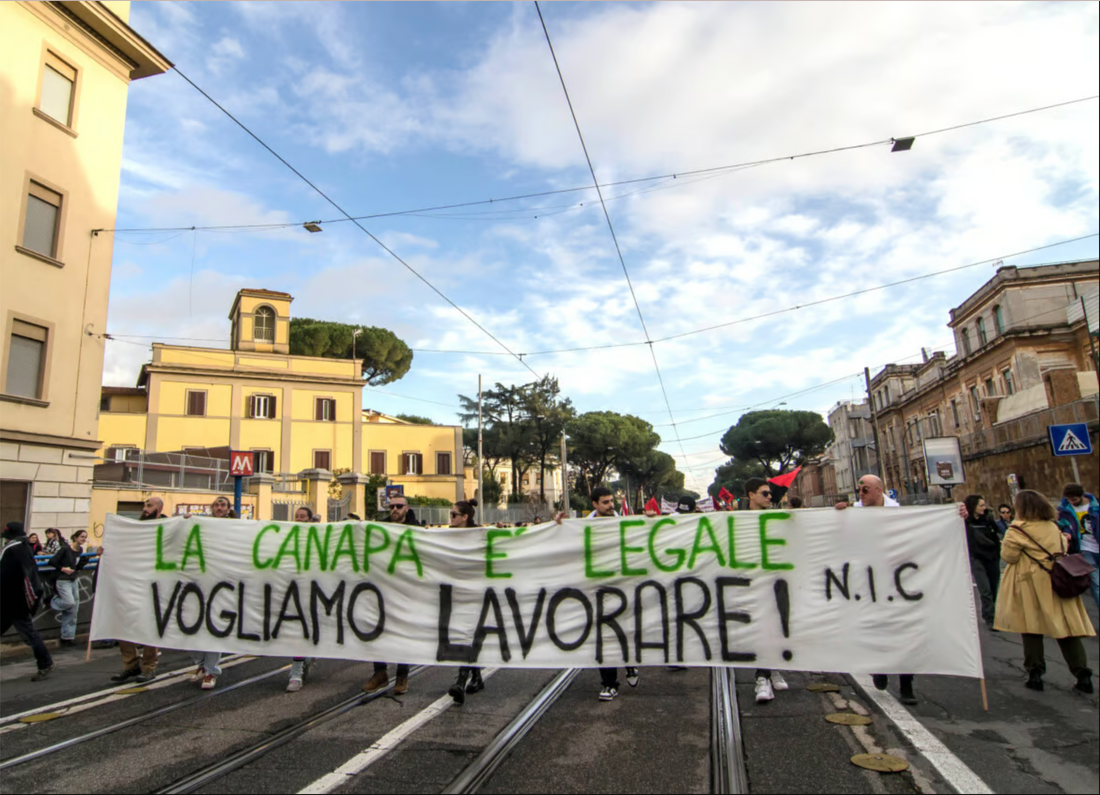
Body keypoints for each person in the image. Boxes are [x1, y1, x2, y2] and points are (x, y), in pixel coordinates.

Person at [835, 475, 964, 706]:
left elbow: (929, 530)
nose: (861, 494)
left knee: (905, 631)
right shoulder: (853, 513)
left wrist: (957, 515)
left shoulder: (900, 513)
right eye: (859, 490)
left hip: (900, 582)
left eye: (865, 490)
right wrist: (837, 514)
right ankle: (880, 668)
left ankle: (907, 682)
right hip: (869, 583)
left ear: (878, 490)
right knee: (875, 629)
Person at [995, 489, 1094, 694]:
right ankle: (1082, 674)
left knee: (1031, 628)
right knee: (1066, 629)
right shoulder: (1052, 527)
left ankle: (1035, 673)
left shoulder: (1017, 529)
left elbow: (1009, 556)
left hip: (1030, 582)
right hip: (1057, 581)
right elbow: (1063, 547)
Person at [362, 494, 420, 696]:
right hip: (383, 588)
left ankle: (402, 675)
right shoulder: (381, 529)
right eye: (391, 506)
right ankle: (380, 673)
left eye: (398, 506)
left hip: (406, 590)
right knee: (378, 630)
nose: (394, 509)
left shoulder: (418, 530)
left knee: (401, 632)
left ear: (407, 508)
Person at [744, 478, 789, 704]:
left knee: (777, 627)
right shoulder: (736, 520)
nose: (770, 497)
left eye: (770, 494)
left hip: (777, 581)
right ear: (752, 495)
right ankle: (762, 677)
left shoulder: (779, 518)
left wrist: (842, 512)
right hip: (751, 583)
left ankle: (772, 669)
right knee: (761, 627)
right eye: (765, 494)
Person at [112, 497, 165, 683]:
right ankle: (131, 664)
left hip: (155, 585)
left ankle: (149, 667)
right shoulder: (136, 527)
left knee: (150, 626)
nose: (144, 508)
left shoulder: (167, 526)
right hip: (134, 583)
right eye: (144, 505)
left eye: (149, 505)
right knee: (124, 624)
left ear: (158, 508)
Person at [189, 497, 235, 690]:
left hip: (223, 585)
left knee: (214, 627)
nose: (218, 508)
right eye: (216, 505)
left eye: (222, 505)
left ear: (228, 509)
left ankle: (211, 671)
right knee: (193, 626)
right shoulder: (202, 524)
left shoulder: (237, 527)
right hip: (201, 583)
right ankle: (201, 663)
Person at [1, 521, 54, 680]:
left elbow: (9, 576)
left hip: (14, 601)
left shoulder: (15, 550)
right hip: (10, 600)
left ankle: (45, 662)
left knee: (29, 633)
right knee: (28, 632)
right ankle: (45, 662)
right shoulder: (23, 548)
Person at [446, 499, 486, 705]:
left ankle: (461, 681)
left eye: (454, 515)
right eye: (450, 514)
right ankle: (477, 677)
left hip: (476, 593)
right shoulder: (446, 536)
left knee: (467, 633)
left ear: (465, 517)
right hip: (458, 593)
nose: (450, 518)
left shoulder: (480, 535)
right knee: (465, 634)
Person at [285, 506, 320, 692]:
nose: (299, 519)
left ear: (310, 519)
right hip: (291, 590)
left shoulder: (319, 536)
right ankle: (300, 666)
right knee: (295, 631)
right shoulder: (286, 535)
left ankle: (300, 666)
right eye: (296, 516)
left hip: (312, 591)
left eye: (303, 516)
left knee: (305, 629)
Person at [1057, 483, 1099, 608]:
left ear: (1082, 496)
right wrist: (1067, 533)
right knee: (1096, 583)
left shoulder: (1095, 506)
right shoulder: (1065, 510)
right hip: (1085, 549)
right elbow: (1064, 525)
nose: (1072, 502)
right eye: (1069, 499)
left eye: (1074, 499)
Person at [963, 495, 1002, 628]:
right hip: (977, 558)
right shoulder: (966, 522)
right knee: (985, 589)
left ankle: (994, 614)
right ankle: (990, 617)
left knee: (993, 587)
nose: (984, 508)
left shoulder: (988, 520)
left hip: (992, 557)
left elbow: (996, 535)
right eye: (981, 505)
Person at [48, 529, 90, 647]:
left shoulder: (80, 550)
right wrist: (63, 569)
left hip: (73, 579)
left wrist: (82, 564)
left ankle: (68, 637)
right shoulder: (65, 549)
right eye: (81, 537)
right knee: (69, 602)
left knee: (73, 609)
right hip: (63, 580)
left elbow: (76, 567)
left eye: (85, 537)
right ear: (75, 537)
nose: (83, 539)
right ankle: (53, 600)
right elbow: (52, 561)